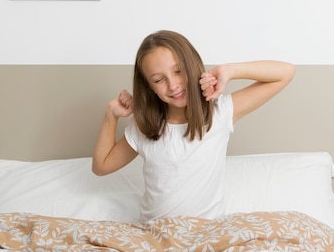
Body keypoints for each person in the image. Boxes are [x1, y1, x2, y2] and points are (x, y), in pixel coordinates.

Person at [92, 30, 295, 223]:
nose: (173, 85)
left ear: (192, 66)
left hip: (205, 234)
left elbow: (286, 72)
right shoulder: (145, 126)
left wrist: (229, 70)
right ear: (149, 87)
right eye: (158, 79)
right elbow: (101, 167)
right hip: (156, 234)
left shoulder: (219, 113)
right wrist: (111, 115)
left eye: (179, 71)